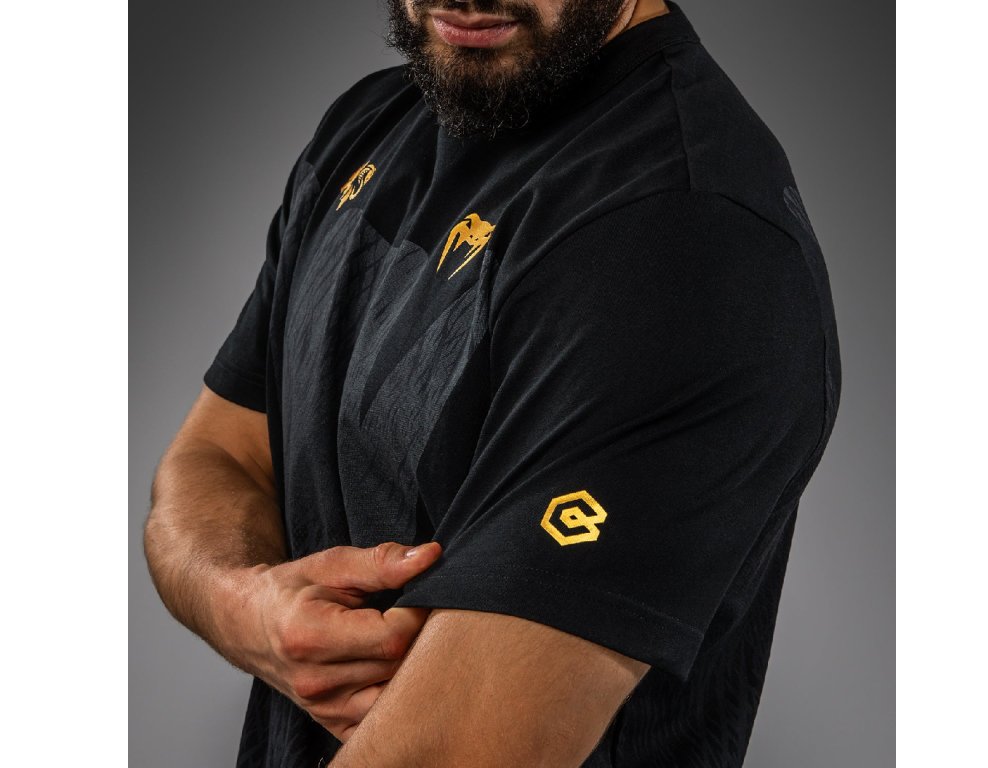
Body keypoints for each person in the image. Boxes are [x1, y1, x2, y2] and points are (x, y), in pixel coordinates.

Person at [143, 0, 841, 765]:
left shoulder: (688, 240)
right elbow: (219, 454)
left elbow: (450, 755)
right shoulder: (368, 126)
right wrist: (251, 609)